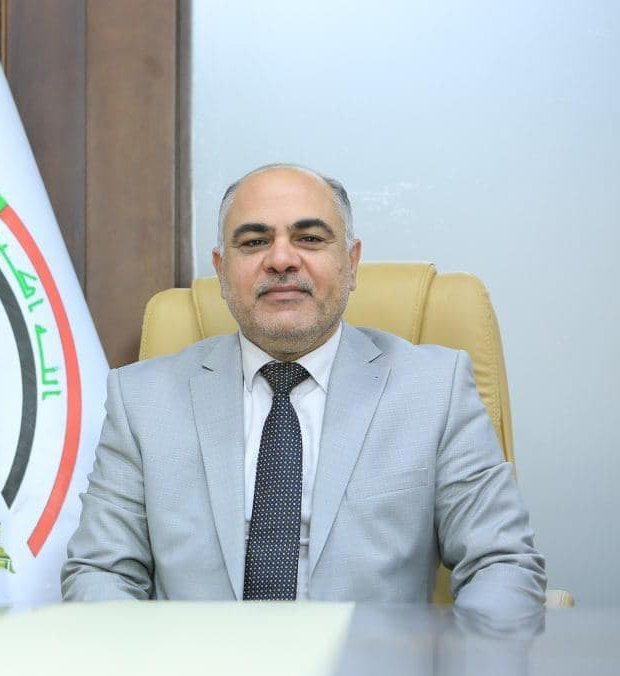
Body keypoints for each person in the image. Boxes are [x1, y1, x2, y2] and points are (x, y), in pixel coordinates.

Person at [62, 163, 546, 609]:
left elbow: (501, 562)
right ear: (222, 270)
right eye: (254, 241)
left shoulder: (434, 390)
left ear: (351, 263)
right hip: (197, 670)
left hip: (376, 671)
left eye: (310, 238)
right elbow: (101, 571)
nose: (280, 259)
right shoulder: (141, 400)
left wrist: (467, 666)